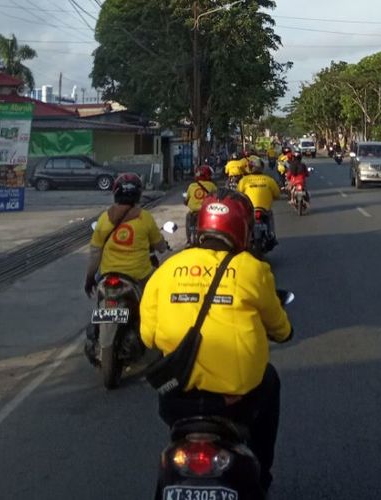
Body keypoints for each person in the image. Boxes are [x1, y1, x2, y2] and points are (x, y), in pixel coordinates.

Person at [140, 188, 292, 493]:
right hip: (236, 400)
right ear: (243, 230)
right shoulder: (253, 270)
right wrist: (282, 333)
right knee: (271, 379)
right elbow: (280, 328)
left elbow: (149, 335)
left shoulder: (167, 269)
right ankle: (263, 471)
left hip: (178, 399)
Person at [84, 172, 169, 297]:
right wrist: (163, 247)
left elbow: (95, 253)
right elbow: (159, 245)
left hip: (108, 274)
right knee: (157, 293)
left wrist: (89, 278)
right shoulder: (145, 218)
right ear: (138, 194)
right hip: (139, 274)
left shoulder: (104, 218)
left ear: (116, 193)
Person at [237, 158, 281, 244]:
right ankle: (271, 235)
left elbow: (238, 194)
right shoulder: (269, 180)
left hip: (249, 209)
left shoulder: (244, 180)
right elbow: (277, 194)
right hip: (265, 210)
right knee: (270, 216)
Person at [183, 164, 217, 245]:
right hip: (206, 212)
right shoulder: (211, 186)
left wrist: (186, 202)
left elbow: (186, 199)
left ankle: (188, 240)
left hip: (193, 212)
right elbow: (217, 196)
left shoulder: (191, 186)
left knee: (188, 219)